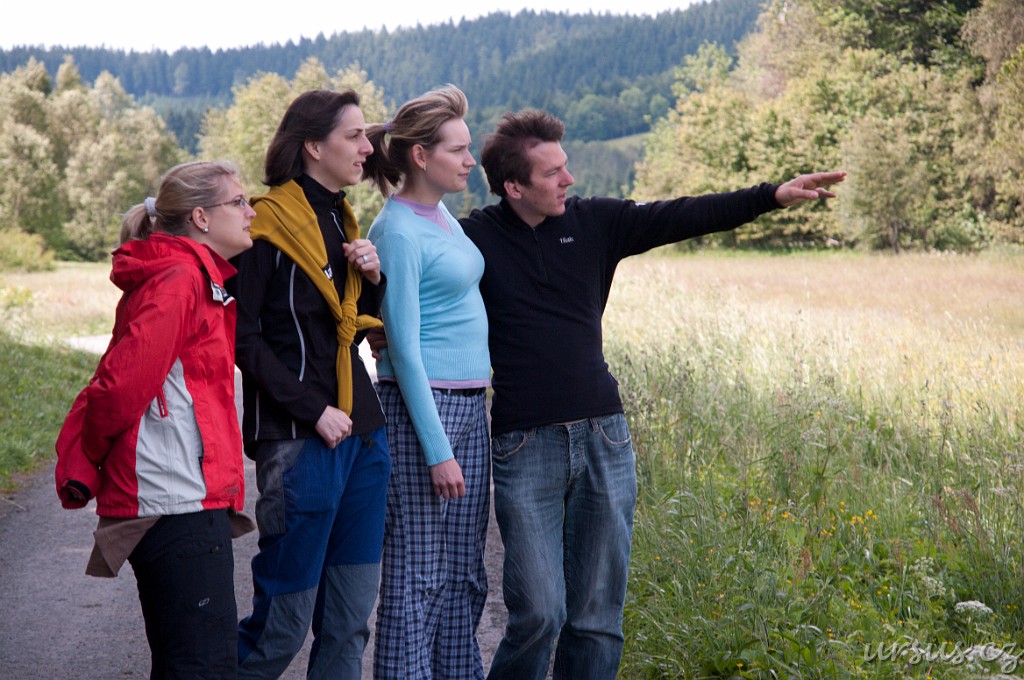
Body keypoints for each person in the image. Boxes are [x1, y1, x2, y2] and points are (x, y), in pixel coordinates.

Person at [460, 110, 847, 679]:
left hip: (604, 436)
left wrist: (771, 195)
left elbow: (685, 214)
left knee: (596, 619)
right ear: (514, 187)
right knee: (539, 614)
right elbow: (415, 260)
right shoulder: (474, 238)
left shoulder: (596, 222)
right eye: (552, 173)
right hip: (524, 445)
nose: (569, 179)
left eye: (566, 166)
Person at [54, 160, 256, 678]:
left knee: (193, 663)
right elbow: (119, 388)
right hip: (175, 499)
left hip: (187, 495)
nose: (250, 211)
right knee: (200, 667)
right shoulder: (180, 279)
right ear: (201, 217)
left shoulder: (191, 276)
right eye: (238, 201)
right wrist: (92, 455)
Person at [232, 89, 391, 679]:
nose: (367, 147)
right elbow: (243, 339)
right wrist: (312, 408)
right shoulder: (263, 227)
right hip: (300, 437)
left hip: (363, 435)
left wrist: (372, 277)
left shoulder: (341, 218)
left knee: (349, 624)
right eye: (354, 135)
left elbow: (351, 324)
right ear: (313, 146)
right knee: (281, 628)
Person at [363, 84, 491, 679]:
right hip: (424, 412)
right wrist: (437, 450)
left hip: (468, 405)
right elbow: (403, 350)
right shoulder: (396, 230)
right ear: (421, 155)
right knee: (417, 576)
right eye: (458, 149)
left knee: (463, 574)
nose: (470, 160)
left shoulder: (439, 216)